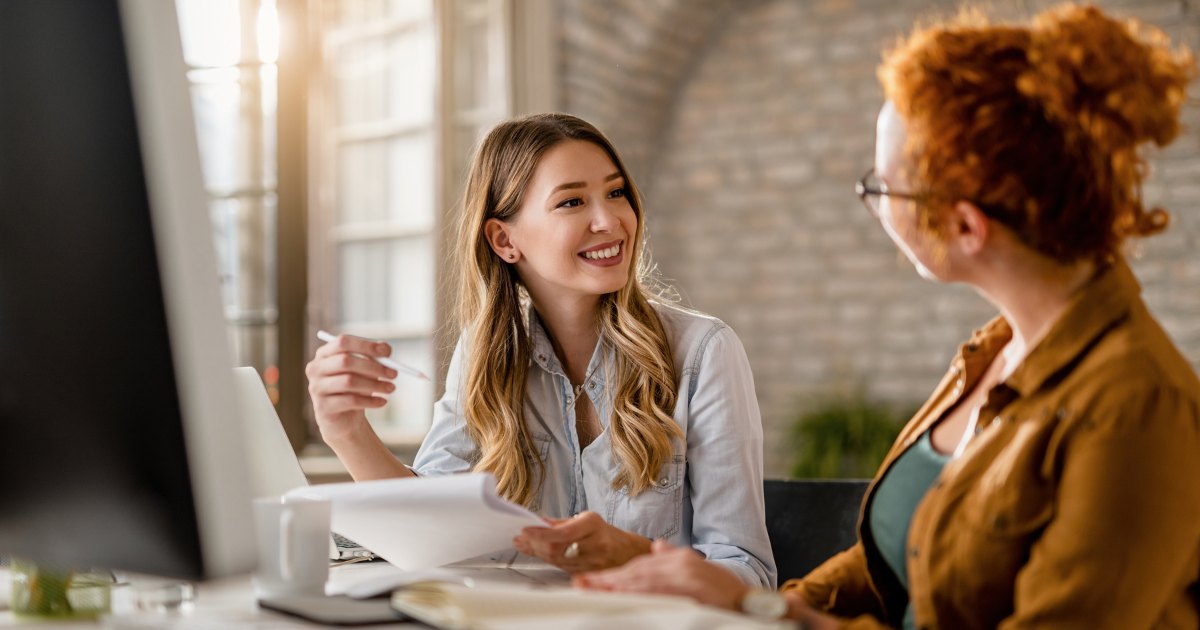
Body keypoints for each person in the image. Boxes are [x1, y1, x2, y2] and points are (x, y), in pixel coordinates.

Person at [575, 4, 1200, 627]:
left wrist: (755, 605)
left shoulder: (1136, 406)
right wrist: (761, 604)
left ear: (964, 225)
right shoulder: (994, 353)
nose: (873, 204)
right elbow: (888, 564)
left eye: (882, 187)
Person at [306, 112, 776, 587]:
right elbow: (426, 531)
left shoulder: (702, 352)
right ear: (504, 240)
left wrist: (629, 555)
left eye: (616, 193)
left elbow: (749, 575)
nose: (610, 220)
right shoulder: (485, 355)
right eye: (572, 201)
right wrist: (347, 432)